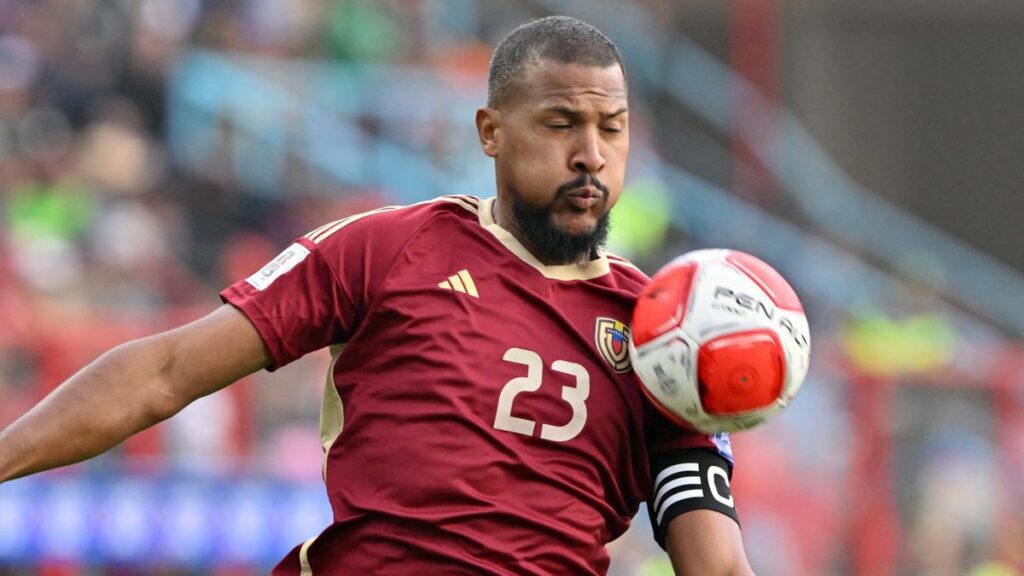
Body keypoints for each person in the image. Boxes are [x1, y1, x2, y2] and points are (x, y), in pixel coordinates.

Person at [0, 16, 753, 576]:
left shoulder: (664, 336)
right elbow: (164, 373)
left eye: (610, 130)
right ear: (491, 131)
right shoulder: (389, 249)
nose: (590, 154)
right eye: (561, 124)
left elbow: (712, 561)